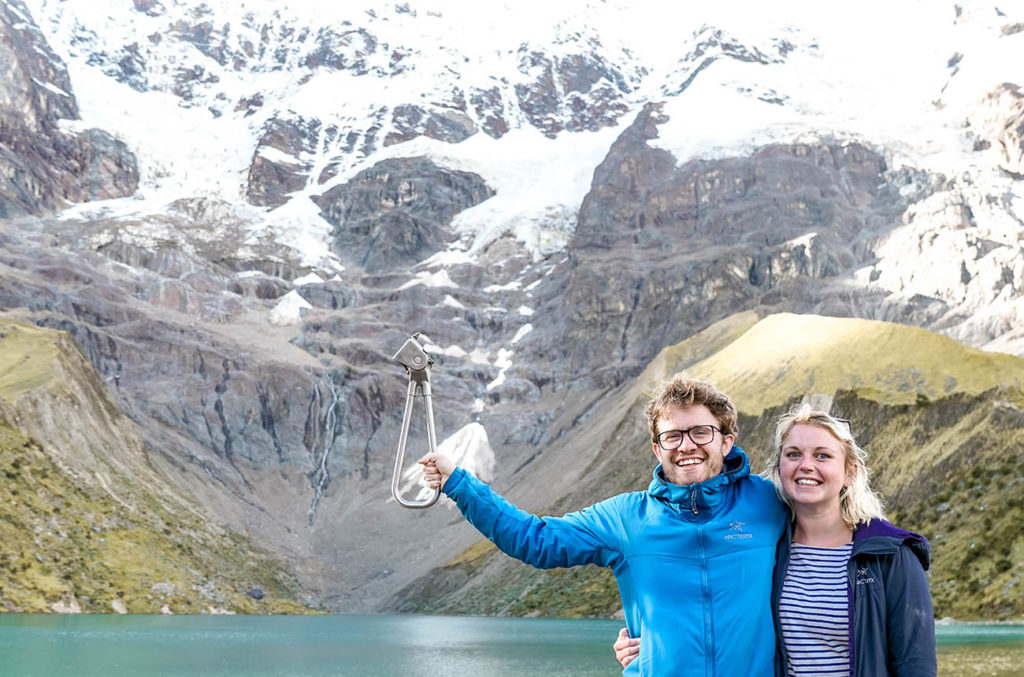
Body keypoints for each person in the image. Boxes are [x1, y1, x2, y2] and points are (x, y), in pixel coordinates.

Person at [420, 374, 787, 676]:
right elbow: (536, 540)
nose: (686, 445)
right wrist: (458, 483)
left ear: (726, 441)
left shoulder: (770, 502)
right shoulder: (625, 519)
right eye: (672, 435)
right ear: (657, 449)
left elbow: (836, 531)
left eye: (700, 432)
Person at [614, 405, 937, 676]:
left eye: (823, 455)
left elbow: (915, 664)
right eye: (793, 454)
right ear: (780, 467)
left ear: (850, 472)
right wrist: (659, 643)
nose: (806, 465)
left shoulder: (889, 555)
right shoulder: (768, 549)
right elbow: (720, 614)